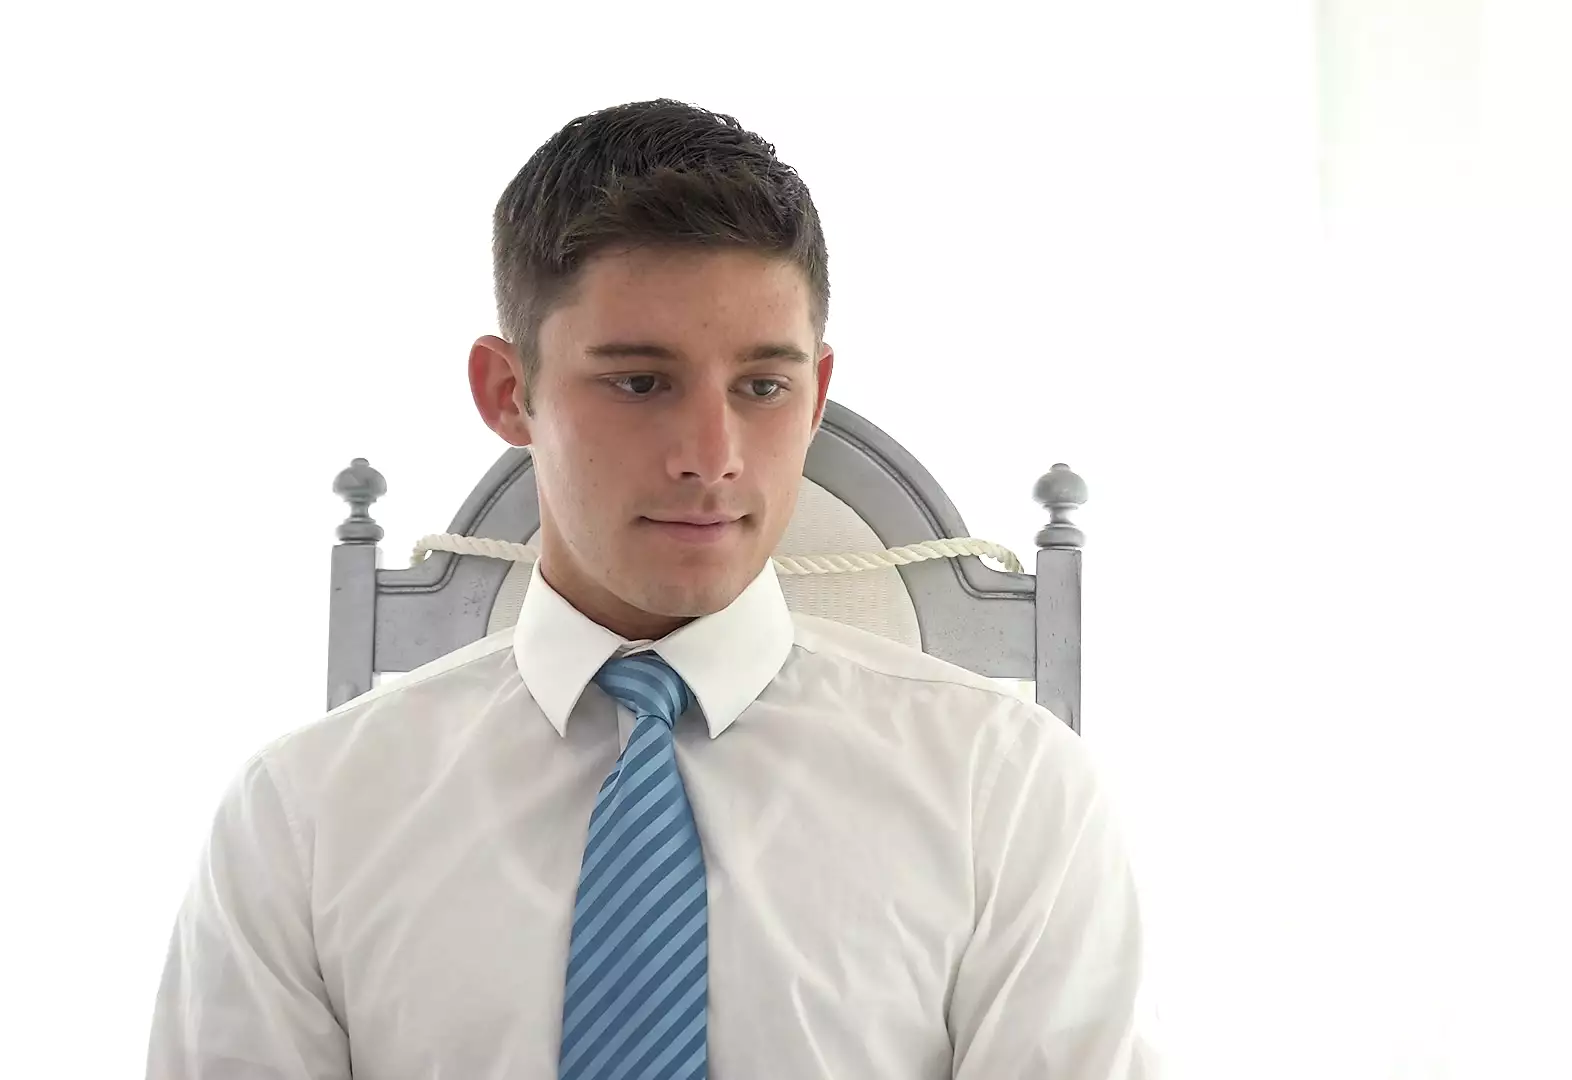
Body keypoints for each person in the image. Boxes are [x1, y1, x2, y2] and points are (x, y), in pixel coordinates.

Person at [146, 98, 1163, 1079]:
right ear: (508, 392)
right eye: (640, 383)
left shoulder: (1009, 792)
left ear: (816, 395)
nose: (711, 455)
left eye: (763, 386)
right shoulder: (303, 817)